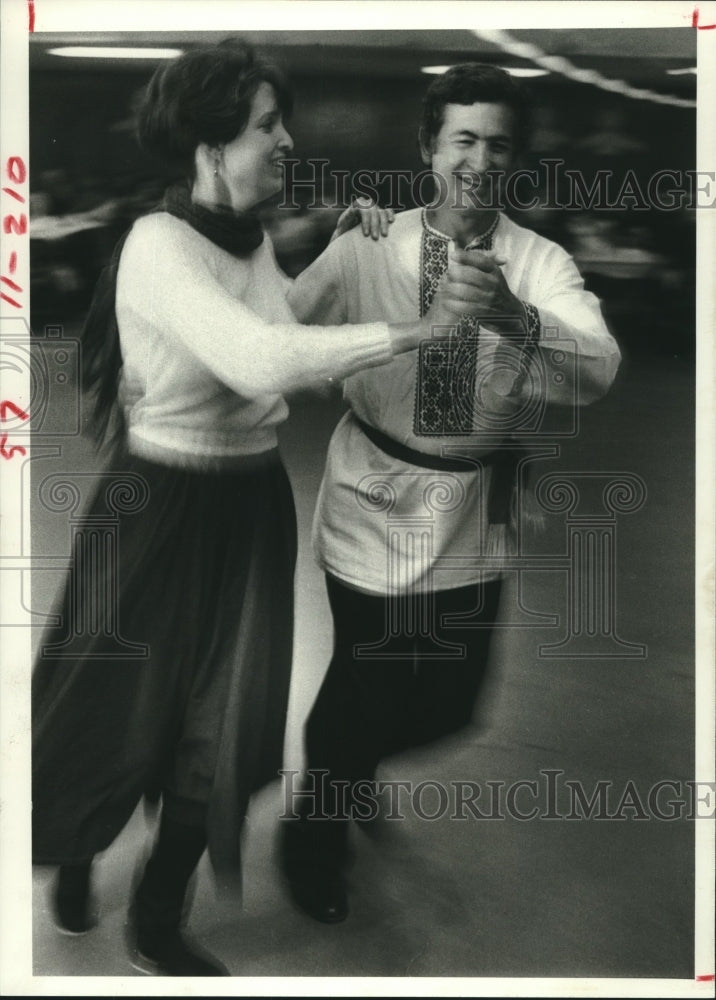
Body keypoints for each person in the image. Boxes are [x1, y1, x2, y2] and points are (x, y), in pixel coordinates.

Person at [31, 41, 492, 976]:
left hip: (247, 509)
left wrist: (347, 245)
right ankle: (76, 855)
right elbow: (257, 358)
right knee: (118, 704)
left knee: (225, 725)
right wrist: (419, 326)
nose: (287, 140)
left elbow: (284, 322)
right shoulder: (159, 247)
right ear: (210, 146)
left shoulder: (248, 242)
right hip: (159, 508)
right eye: (267, 125)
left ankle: (157, 918)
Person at [281, 63, 622, 923]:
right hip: (372, 493)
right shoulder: (370, 241)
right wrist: (331, 238)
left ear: (518, 159)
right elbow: (285, 325)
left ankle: (343, 773)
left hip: (472, 513)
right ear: (429, 148)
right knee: (363, 683)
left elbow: (599, 369)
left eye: (499, 143)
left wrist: (514, 314)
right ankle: (313, 833)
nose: (480, 158)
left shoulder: (538, 262)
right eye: (464, 138)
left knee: (451, 704)